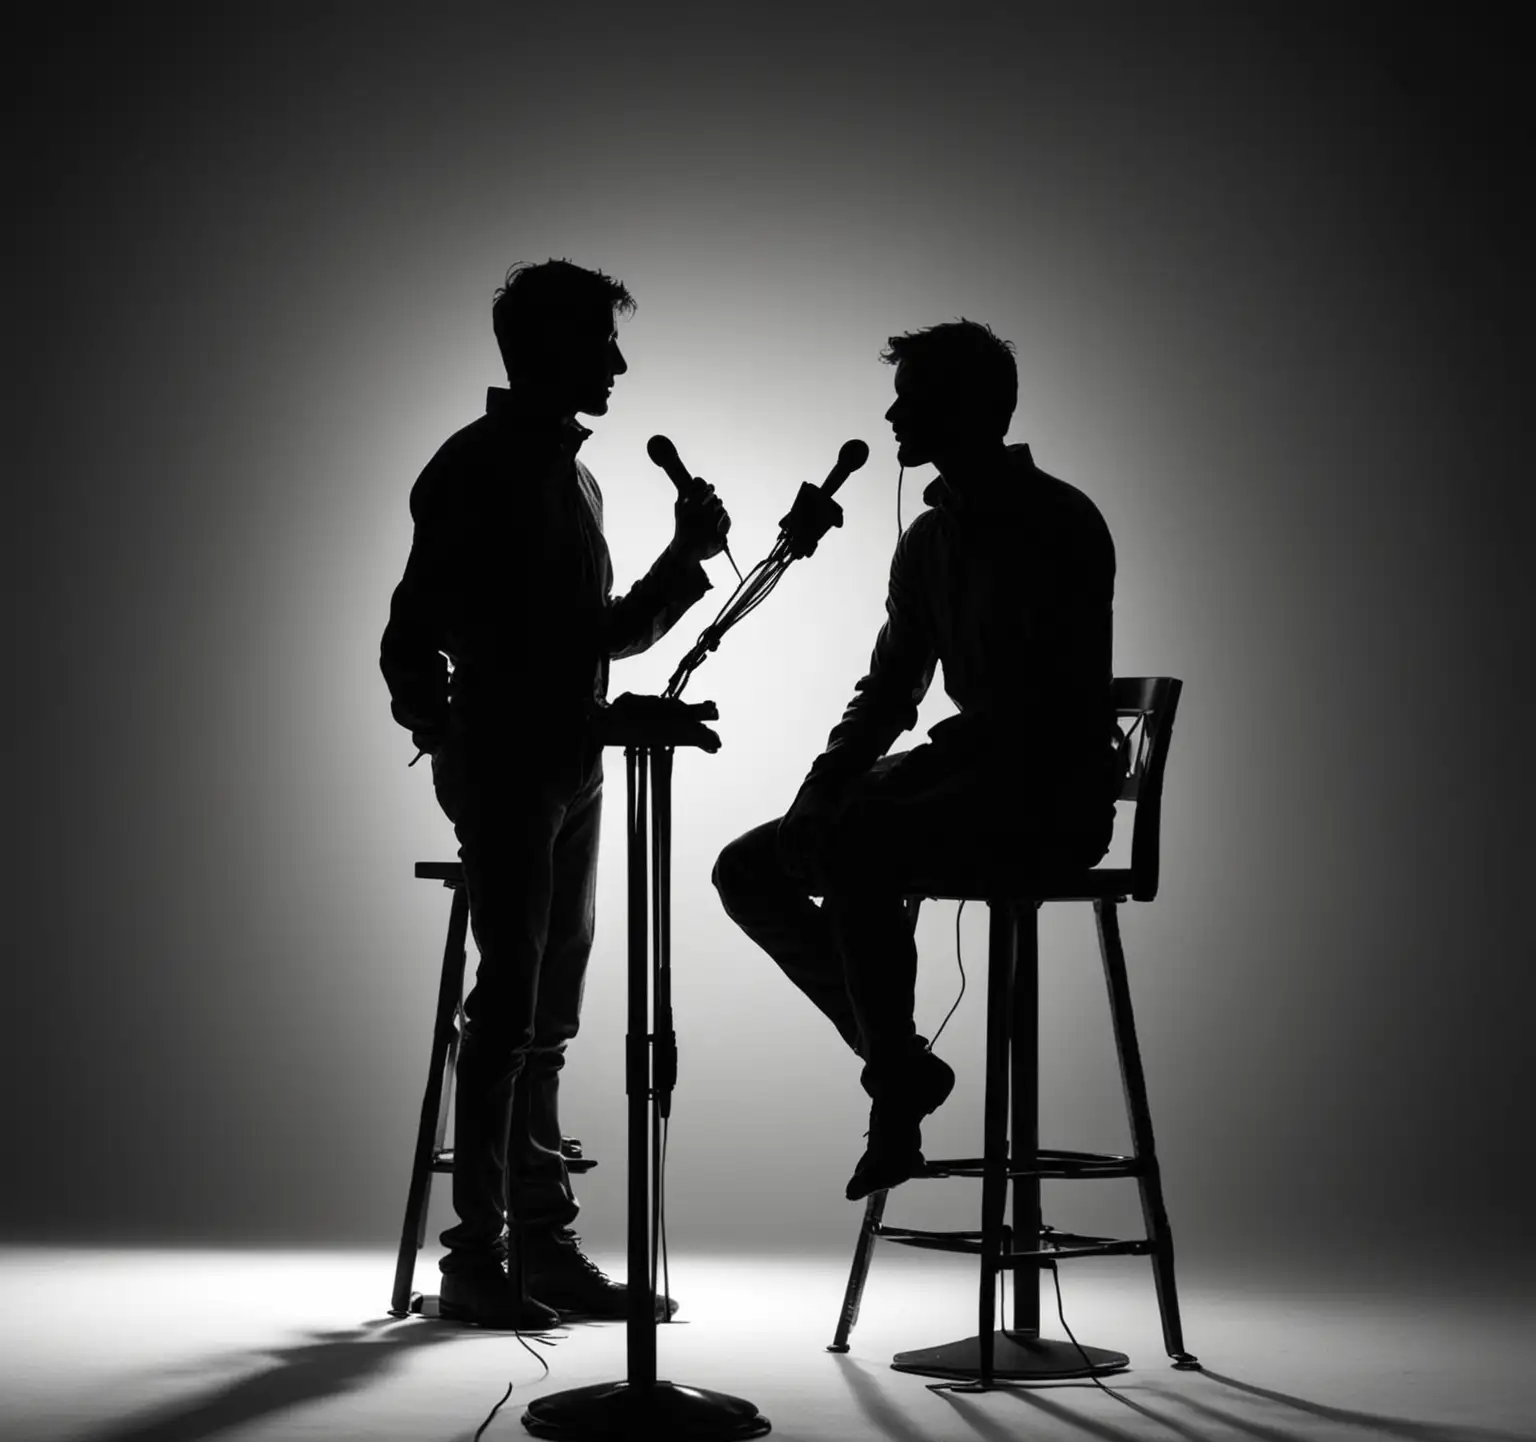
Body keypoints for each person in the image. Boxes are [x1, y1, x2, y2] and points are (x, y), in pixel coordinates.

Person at [381, 259, 729, 1327]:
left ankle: (542, 1247)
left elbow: (600, 639)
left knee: (549, 1015)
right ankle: (476, 1264)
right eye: (599, 342)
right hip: (514, 768)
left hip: (572, 764)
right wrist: (451, 732)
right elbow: (412, 629)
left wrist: (684, 560)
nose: (618, 362)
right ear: (544, 349)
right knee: (509, 1010)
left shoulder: (577, 479)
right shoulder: (477, 468)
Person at [712, 320, 1124, 1202]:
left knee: (864, 840)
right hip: (965, 779)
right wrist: (820, 789)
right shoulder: (927, 543)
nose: (894, 413)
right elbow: (890, 688)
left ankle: (895, 1096)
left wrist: (893, 789)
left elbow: (1051, 710)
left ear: (970, 407)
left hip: (1051, 794)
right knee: (750, 867)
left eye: (914, 395)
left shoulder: (1061, 521)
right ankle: (896, 1063)